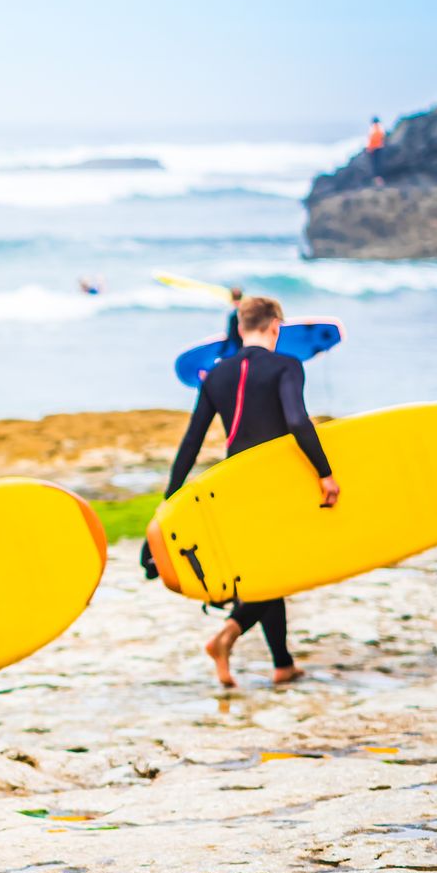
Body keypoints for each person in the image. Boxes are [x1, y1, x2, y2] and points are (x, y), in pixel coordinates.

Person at [164, 295, 340, 688]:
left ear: (240, 328)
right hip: (273, 483)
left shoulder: (216, 375)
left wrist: (169, 501)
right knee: (276, 570)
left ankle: (282, 663)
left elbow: (191, 442)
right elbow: (297, 420)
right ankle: (227, 636)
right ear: (276, 326)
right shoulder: (287, 366)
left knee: (266, 570)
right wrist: (325, 473)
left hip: (234, 485)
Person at [221, 285, 244, 353]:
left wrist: (222, 349)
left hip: (238, 346)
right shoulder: (246, 312)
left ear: (231, 298)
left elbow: (230, 334)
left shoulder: (233, 315)